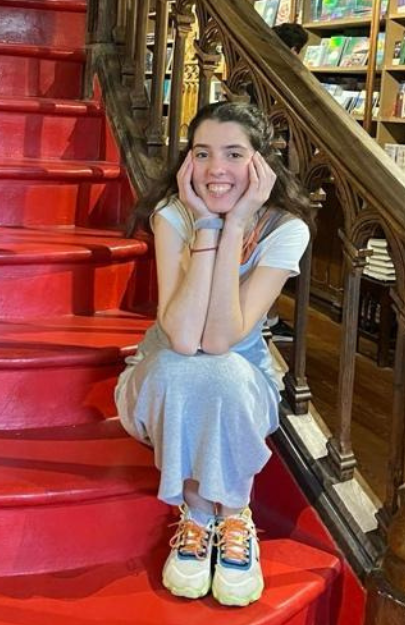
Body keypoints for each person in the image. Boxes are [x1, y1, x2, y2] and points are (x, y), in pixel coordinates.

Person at [114, 100, 313, 606]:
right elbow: (182, 335)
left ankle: (214, 515)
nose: (215, 169)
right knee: (185, 364)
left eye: (233, 153)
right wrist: (207, 226)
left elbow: (222, 337)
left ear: (260, 164)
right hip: (158, 382)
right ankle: (216, 513)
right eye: (202, 153)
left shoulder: (286, 230)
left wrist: (239, 222)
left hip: (243, 384)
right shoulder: (173, 215)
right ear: (187, 162)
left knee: (220, 368)